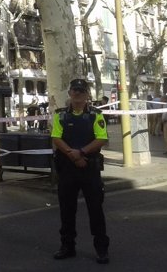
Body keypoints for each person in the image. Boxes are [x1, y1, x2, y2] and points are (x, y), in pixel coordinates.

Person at [51, 78, 109, 264]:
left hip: (89, 169)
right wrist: (73, 155)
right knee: (67, 210)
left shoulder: (95, 115)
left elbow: (101, 138)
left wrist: (82, 152)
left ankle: (101, 249)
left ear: (87, 95)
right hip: (68, 168)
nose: (77, 94)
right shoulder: (60, 115)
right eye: (74, 90)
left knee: (95, 210)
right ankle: (67, 246)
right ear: (69, 93)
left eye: (81, 91)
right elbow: (56, 138)